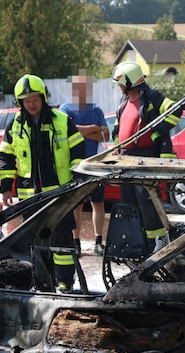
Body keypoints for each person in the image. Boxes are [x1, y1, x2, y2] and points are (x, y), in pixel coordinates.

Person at [0, 74, 86, 292]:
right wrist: (6, 187)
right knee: (35, 241)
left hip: (60, 194)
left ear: (43, 97)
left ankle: (65, 281)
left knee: (62, 240)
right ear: (20, 103)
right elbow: (5, 157)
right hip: (31, 197)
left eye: (35, 99)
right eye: (26, 101)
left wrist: (77, 180)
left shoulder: (62, 120)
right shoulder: (14, 125)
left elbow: (78, 151)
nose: (31, 104)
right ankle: (41, 281)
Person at [110, 61, 180, 251]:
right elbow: (118, 128)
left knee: (146, 202)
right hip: (126, 158)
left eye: (120, 82)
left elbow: (176, 110)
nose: (119, 86)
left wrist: (156, 135)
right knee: (129, 203)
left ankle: (157, 243)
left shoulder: (151, 97)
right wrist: (117, 147)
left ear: (130, 81)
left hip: (145, 157)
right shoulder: (123, 101)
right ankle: (137, 241)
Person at [59, 72, 110, 256]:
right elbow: (68, 130)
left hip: (94, 165)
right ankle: (76, 242)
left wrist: (81, 130)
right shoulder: (65, 109)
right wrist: (93, 129)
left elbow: (106, 134)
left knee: (98, 203)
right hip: (75, 165)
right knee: (76, 205)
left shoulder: (96, 110)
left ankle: (98, 242)